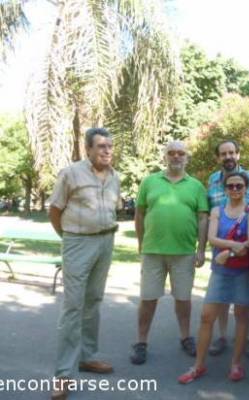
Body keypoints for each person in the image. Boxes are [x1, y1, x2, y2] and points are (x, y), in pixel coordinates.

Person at [48, 128, 121, 400]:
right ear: (88, 149)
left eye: (110, 146)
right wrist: (70, 238)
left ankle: (88, 357)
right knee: (73, 307)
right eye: (101, 146)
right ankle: (64, 374)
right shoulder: (70, 173)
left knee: (94, 301)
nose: (107, 151)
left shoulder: (115, 177)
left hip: (106, 242)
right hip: (78, 242)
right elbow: (55, 211)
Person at [130, 141, 209, 364]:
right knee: (148, 298)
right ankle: (141, 342)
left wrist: (201, 249)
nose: (176, 156)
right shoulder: (149, 181)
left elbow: (203, 218)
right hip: (153, 251)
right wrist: (140, 244)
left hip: (184, 252)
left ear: (187, 158)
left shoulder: (196, 186)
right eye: (171, 153)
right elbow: (140, 214)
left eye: (180, 153)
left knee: (183, 299)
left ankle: (185, 337)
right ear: (165, 156)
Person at [178, 172, 249, 384]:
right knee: (206, 317)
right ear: (225, 189)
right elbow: (212, 238)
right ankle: (198, 365)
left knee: (241, 317)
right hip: (220, 272)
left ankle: (236, 364)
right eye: (230, 186)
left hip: (243, 272)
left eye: (239, 186)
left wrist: (228, 251)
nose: (235, 190)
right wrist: (232, 247)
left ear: (246, 188)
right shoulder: (217, 210)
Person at [206, 139, 249, 356]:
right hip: (220, 244)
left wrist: (248, 243)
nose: (228, 157)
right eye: (223, 154)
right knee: (221, 295)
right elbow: (210, 213)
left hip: (248, 247)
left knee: (244, 296)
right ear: (218, 158)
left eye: (231, 153)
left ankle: (244, 338)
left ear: (238, 154)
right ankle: (221, 336)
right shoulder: (212, 180)